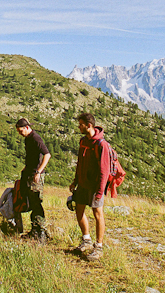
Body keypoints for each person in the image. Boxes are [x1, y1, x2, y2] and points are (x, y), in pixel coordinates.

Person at [69, 112, 111, 261]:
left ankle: (98, 247)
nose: (79, 127)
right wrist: (75, 181)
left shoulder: (101, 144)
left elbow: (104, 171)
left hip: (95, 185)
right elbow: (80, 163)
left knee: (98, 213)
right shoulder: (83, 142)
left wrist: (100, 191)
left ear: (89, 125)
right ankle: (86, 240)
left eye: (81, 125)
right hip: (82, 183)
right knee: (79, 210)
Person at [15, 118, 51, 241]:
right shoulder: (28, 139)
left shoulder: (36, 138)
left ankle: (41, 232)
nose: (20, 134)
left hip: (35, 175)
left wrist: (39, 171)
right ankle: (35, 230)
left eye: (21, 131)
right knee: (31, 201)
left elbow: (47, 154)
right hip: (29, 174)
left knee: (36, 202)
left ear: (27, 127)